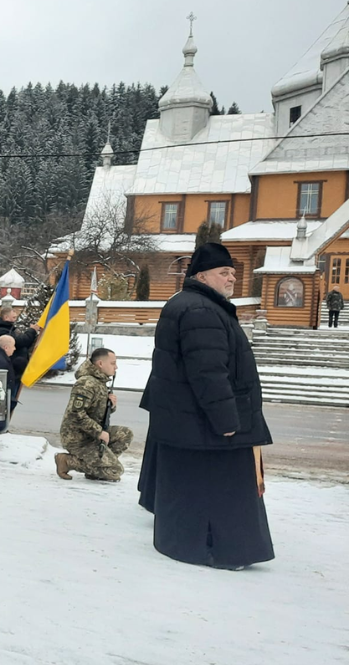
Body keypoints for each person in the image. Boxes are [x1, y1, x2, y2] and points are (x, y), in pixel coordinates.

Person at [138, 243, 273, 570]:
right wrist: (226, 420)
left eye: (233, 273)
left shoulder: (195, 304)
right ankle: (216, 550)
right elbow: (208, 372)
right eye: (224, 273)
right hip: (207, 426)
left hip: (190, 423)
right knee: (220, 491)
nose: (232, 278)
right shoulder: (201, 311)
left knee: (191, 490)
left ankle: (187, 544)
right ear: (201, 276)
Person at [55, 348, 133, 481]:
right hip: (78, 439)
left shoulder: (99, 382)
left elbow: (95, 412)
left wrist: (111, 406)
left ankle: (96, 469)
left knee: (125, 434)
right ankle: (67, 461)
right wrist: (99, 432)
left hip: (90, 434)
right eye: (113, 363)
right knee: (115, 471)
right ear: (100, 364)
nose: (116, 367)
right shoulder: (86, 383)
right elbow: (76, 414)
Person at [0, 308, 40, 377]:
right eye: (13, 317)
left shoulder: (8, 328)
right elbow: (19, 341)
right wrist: (32, 330)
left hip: (14, 366)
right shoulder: (1, 330)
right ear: (6, 317)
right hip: (12, 366)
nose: (15, 319)